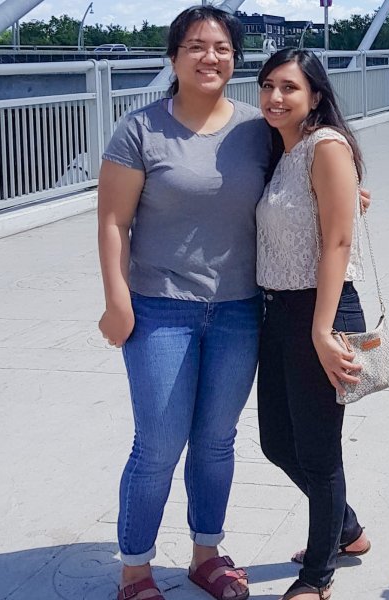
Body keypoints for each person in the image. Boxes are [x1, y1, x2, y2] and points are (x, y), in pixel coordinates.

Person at [97, 7, 264, 600]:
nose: (209, 56)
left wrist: (351, 189)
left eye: (220, 47)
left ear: (234, 59)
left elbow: (309, 176)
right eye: (195, 46)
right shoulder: (139, 129)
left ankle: (205, 554)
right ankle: (135, 570)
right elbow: (114, 222)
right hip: (160, 308)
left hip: (240, 309)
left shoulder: (256, 128)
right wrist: (117, 302)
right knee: (159, 443)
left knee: (218, 440)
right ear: (174, 58)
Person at [255, 48, 373, 600]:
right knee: (277, 441)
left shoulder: (325, 146)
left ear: (316, 97)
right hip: (278, 310)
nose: (275, 98)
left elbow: (339, 242)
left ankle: (317, 576)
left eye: (289, 88)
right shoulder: (283, 150)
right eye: (267, 86)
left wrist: (323, 331)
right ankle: (344, 528)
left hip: (319, 309)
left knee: (320, 454)